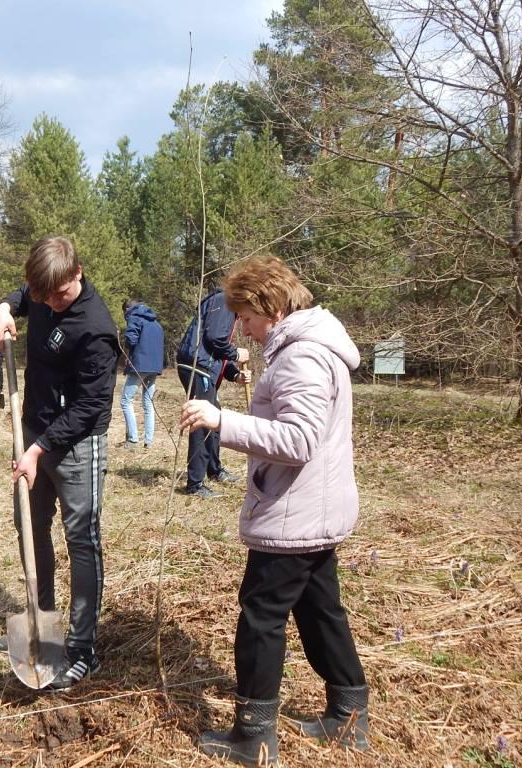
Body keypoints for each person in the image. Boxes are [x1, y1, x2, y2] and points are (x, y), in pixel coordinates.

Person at [179, 255, 369, 766]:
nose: (240, 326)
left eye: (244, 315)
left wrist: (223, 421)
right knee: (319, 608)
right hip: (313, 507)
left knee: (261, 617)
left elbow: (300, 439)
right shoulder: (305, 346)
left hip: (295, 512)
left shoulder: (302, 356)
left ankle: (252, 735)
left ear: (268, 305)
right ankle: (349, 716)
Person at [0, 236, 120, 690]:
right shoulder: (44, 289)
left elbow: (90, 407)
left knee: (82, 541)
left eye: (59, 295)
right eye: (44, 296)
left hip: (77, 445)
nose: (52, 303)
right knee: (31, 525)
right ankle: (42, 623)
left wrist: (39, 448)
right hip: (33, 433)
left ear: (78, 274)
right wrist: (7, 307)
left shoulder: (96, 330)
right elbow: (24, 295)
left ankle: (84, 650)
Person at [176, 286, 249, 498]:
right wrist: (236, 353)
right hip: (197, 367)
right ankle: (195, 484)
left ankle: (214, 470)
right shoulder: (225, 301)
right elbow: (215, 339)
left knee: (215, 418)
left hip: (203, 366)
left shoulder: (227, 306)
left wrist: (235, 374)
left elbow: (217, 350)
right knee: (202, 422)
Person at [120, 298, 164, 448]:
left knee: (126, 401)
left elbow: (131, 339)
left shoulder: (134, 317)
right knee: (148, 403)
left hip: (139, 366)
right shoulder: (156, 323)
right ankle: (149, 441)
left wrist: (127, 350)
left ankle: (133, 439)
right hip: (154, 367)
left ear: (127, 309)